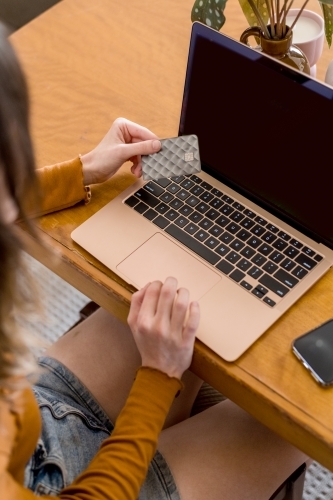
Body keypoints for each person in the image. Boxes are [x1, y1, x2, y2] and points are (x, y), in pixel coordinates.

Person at [0, 22, 308, 500]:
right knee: (297, 422)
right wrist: (159, 376)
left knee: (171, 293)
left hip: (31, 427)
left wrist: (82, 170)